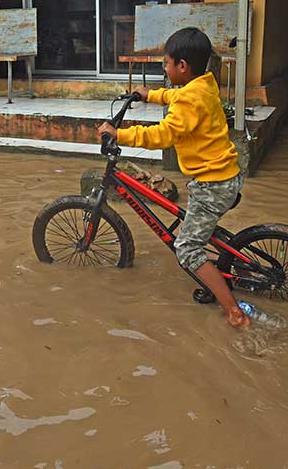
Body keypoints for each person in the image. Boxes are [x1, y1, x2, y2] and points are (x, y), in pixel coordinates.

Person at [98, 27, 250, 330]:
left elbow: (163, 134)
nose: (164, 70)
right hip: (223, 175)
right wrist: (150, 95)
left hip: (212, 184)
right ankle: (217, 274)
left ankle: (234, 312)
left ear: (182, 66)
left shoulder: (188, 101)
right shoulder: (205, 85)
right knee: (195, 230)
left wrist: (119, 134)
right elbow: (177, 94)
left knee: (187, 250)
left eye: (166, 64)